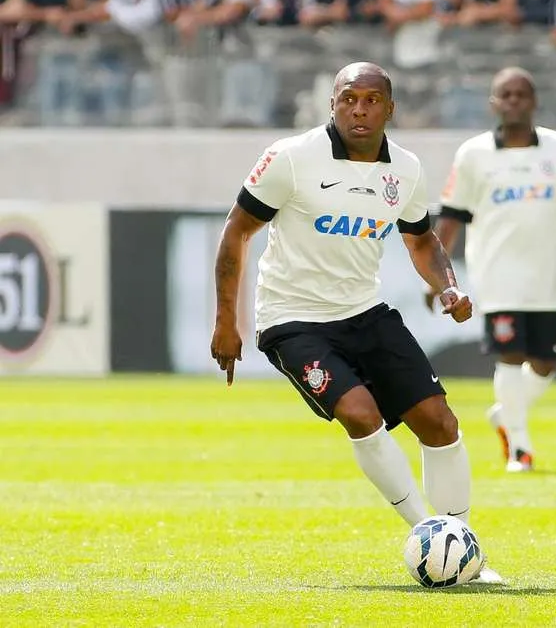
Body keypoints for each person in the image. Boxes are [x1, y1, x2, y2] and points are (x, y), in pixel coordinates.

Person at [210, 61, 501, 583]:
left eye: (371, 101)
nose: (359, 110)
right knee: (360, 413)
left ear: (390, 109)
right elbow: (237, 232)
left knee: (440, 422)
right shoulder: (290, 158)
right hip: (292, 318)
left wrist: (448, 286)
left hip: (364, 311)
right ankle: (433, 539)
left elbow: (421, 239)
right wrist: (225, 322)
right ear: (332, 104)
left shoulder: (405, 169)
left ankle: (462, 551)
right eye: (348, 99)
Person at [429, 67, 556, 473]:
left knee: (545, 364)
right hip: (496, 274)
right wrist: (435, 276)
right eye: (505, 94)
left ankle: (506, 413)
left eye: (522, 94)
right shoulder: (473, 154)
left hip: (546, 274)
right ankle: (519, 448)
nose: (514, 101)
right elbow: (451, 216)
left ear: (534, 101)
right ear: (493, 103)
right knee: (510, 354)